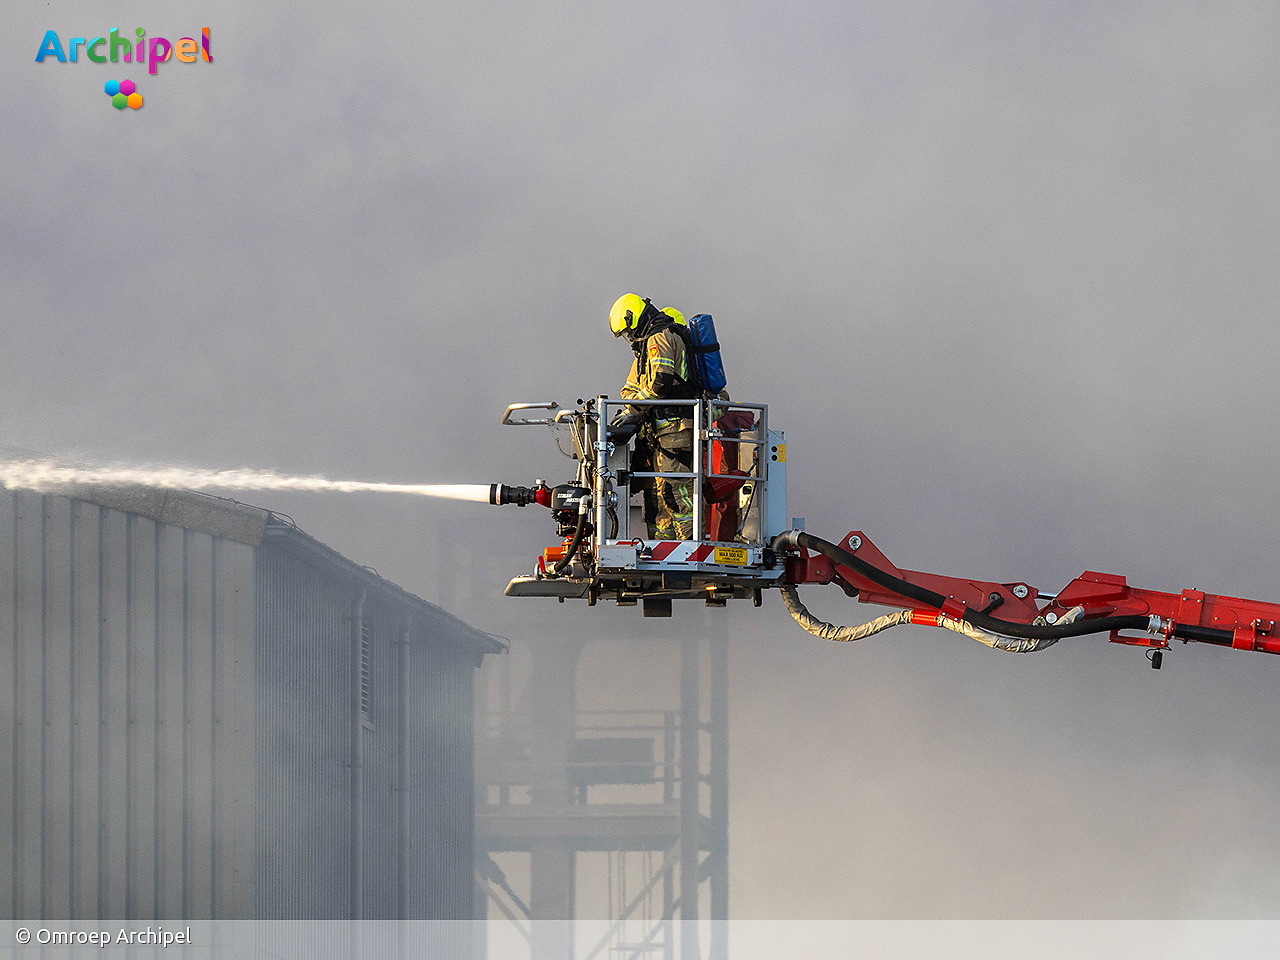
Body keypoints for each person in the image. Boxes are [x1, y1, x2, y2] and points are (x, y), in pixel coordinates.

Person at [607, 294, 697, 540]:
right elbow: (630, 387)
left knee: (675, 495)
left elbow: (660, 383)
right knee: (656, 501)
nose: (629, 338)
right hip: (658, 434)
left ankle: (687, 549)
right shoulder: (645, 346)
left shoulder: (660, 337)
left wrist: (632, 410)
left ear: (632, 318)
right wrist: (632, 408)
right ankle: (664, 553)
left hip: (674, 430)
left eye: (627, 331)